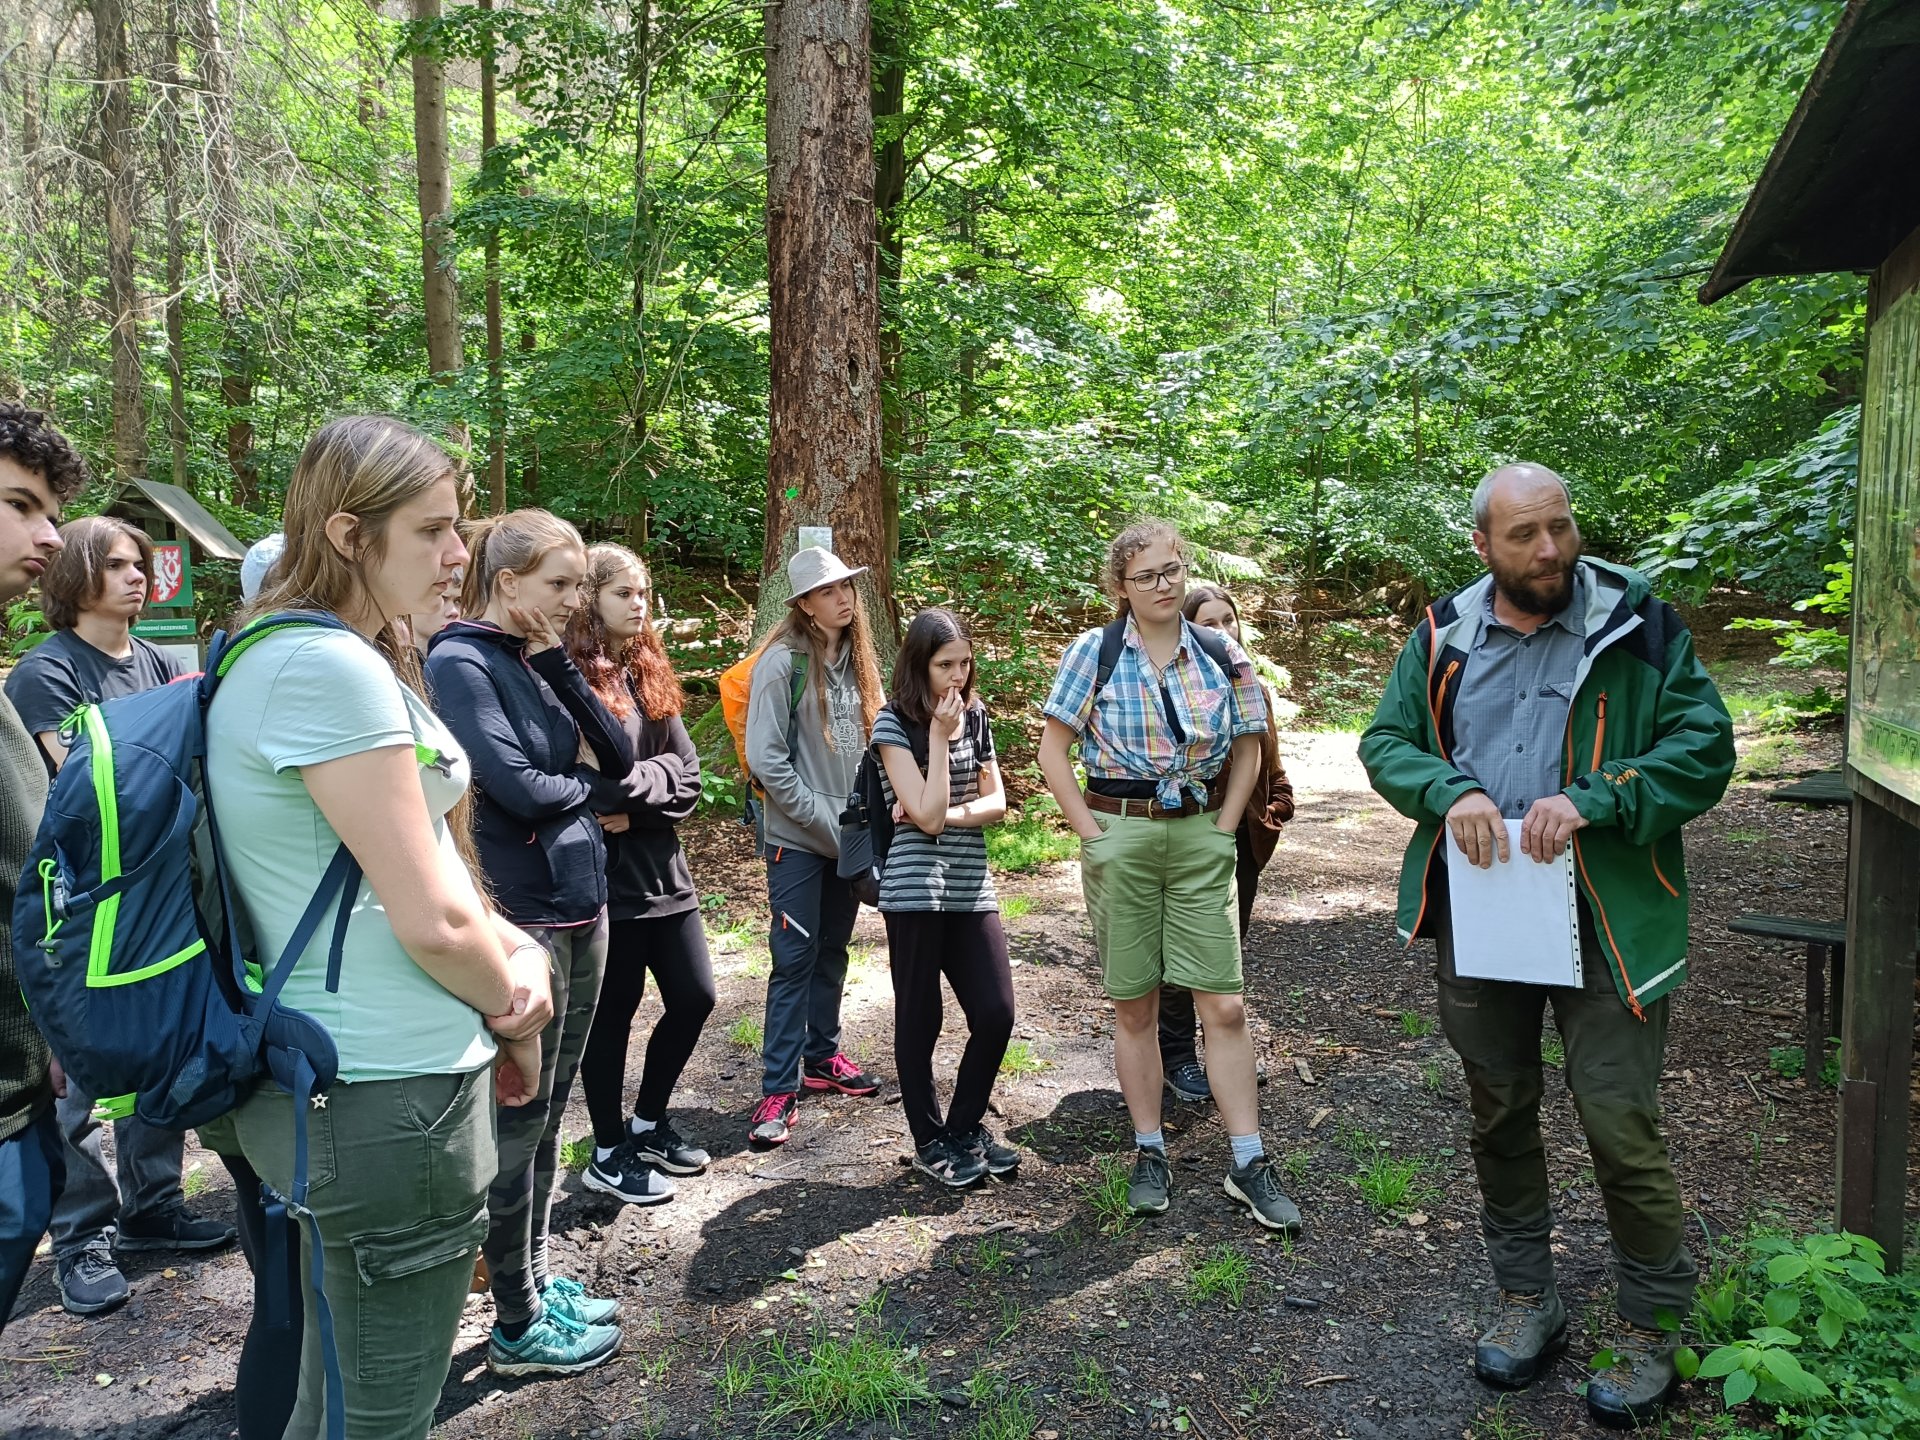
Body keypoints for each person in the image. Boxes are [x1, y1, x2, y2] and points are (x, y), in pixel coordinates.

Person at [1358, 463, 1733, 1429]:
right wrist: (1450, 791)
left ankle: (1652, 1323)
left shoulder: (1638, 625)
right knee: (1499, 1111)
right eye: (1524, 535)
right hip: (1486, 912)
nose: (1550, 549)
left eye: (1559, 527)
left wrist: (1599, 797)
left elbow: (1704, 748)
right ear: (1482, 544)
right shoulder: (1442, 635)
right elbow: (1387, 743)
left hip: (1610, 919)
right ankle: (1528, 1298)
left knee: (1619, 1123)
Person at [201, 414, 555, 1438]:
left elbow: (397, 870)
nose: (457, 556)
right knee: (382, 1418)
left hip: (339, 1087)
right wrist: (517, 1009)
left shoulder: (274, 650)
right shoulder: (327, 668)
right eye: (432, 531)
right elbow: (433, 920)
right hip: (386, 1101)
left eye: (459, 530)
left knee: (334, 1400)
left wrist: (506, 946)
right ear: (350, 535)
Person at [1038, 520, 1301, 1233]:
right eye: (1147, 575)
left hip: (1199, 836)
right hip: (1120, 832)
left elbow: (1249, 746)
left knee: (1225, 1005)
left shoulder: (1220, 652)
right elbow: (1053, 750)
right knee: (1136, 1006)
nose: (1163, 585)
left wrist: (1224, 826)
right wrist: (1093, 836)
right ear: (1120, 585)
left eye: (1172, 570)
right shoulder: (1093, 652)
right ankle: (1150, 1150)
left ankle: (1248, 1159)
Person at [4, 515, 237, 1317]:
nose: (137, 576)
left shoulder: (158, 660)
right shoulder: (47, 673)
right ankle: (80, 1234)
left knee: (158, 1042)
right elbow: (83, 784)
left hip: (157, 889)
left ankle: (153, 1205)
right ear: (76, 575)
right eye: (116, 564)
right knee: (78, 1071)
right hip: (78, 903)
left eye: (139, 563)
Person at [425, 509, 634, 1377]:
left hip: (584, 906)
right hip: (525, 922)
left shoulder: (529, 658)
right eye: (559, 584)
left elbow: (619, 755)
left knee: (552, 1114)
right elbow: (514, 787)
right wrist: (588, 789)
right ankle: (514, 1321)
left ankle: (537, 1283)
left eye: (580, 583)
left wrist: (556, 665)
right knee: (520, 1115)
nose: (574, 599)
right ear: (506, 581)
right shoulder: (459, 660)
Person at [565, 545, 714, 1206]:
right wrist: (646, 786)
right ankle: (606, 1150)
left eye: (643, 593)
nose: (638, 604)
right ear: (590, 598)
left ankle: (648, 1123)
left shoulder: (648, 670)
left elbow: (690, 777)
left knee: (695, 997)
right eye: (623, 593)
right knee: (613, 1016)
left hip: (663, 868)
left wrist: (638, 804)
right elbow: (589, 785)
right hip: (610, 880)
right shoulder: (570, 678)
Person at [744, 546, 888, 1148]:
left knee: (833, 951)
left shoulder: (861, 663)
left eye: (847, 587)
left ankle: (822, 1056)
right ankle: (778, 1087)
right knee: (794, 959)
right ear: (804, 604)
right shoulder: (783, 664)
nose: (843, 598)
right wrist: (822, 821)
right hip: (798, 843)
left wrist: (869, 823)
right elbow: (766, 760)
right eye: (828, 591)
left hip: (850, 838)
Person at [872, 609, 1016, 1187]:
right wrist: (935, 737)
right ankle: (930, 1140)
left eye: (964, 663)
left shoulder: (975, 715)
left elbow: (996, 803)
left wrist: (946, 815)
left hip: (970, 884)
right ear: (919, 665)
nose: (957, 676)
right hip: (914, 889)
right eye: (944, 665)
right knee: (921, 1016)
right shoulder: (892, 724)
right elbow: (924, 818)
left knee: (996, 1012)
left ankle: (962, 1127)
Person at [0, 402, 84, 1332]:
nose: (50, 536)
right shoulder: (41, 674)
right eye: (20, 506)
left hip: (22, 1092)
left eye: (51, 513)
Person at [1155, 585, 1296, 1107]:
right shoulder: (1172, 688)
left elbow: (1270, 761)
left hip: (1242, 842)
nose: (1222, 630)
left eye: (1228, 620)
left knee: (1224, 956)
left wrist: (1277, 805)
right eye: (1207, 622)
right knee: (1179, 955)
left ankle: (1224, 1051)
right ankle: (1177, 1058)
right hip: (1189, 835)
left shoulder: (1251, 685)